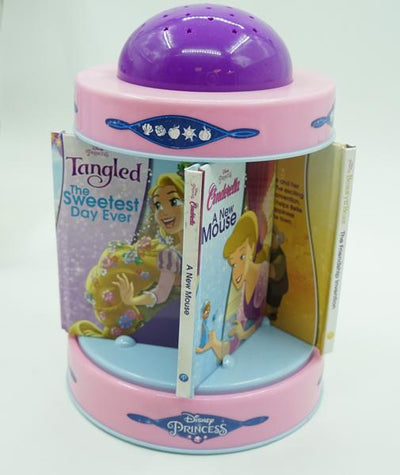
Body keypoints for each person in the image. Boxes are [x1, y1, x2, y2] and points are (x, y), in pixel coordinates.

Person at [196, 211, 268, 361]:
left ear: (252, 247)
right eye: (234, 264)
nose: (237, 270)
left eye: (242, 256)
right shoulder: (243, 293)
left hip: (262, 346)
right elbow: (238, 333)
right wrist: (215, 343)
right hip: (249, 344)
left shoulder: (262, 272)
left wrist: (244, 334)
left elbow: (258, 320)